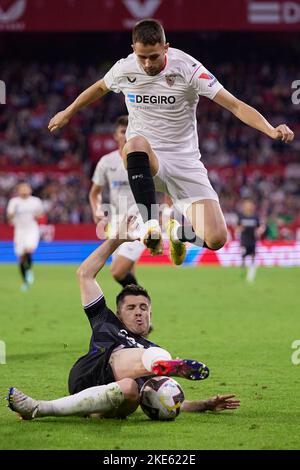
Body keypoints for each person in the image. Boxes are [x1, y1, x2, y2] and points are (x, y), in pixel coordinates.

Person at [48, 19, 294, 266]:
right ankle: (151, 225)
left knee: (217, 237)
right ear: (133, 49)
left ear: (166, 47)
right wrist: (68, 112)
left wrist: (270, 130)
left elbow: (234, 105)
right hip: (147, 157)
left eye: (153, 57)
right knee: (133, 144)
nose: (147, 64)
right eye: (142, 57)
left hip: (185, 162)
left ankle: (176, 233)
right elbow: (99, 88)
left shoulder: (188, 68)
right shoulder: (124, 68)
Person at [8, 216, 240, 420]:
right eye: (131, 308)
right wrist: (116, 240)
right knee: (151, 359)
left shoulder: (151, 346)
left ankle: (85, 410)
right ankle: (41, 407)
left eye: (143, 307)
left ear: (151, 314)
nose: (139, 312)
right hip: (90, 374)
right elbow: (84, 274)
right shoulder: (106, 321)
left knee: (133, 390)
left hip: (119, 394)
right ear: (119, 313)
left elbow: (165, 399)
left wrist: (205, 405)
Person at [89, 115, 144, 288]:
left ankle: (143, 299)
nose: (126, 134)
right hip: (116, 222)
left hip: (140, 219)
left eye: (130, 130)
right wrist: (96, 209)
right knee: (127, 274)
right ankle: (137, 308)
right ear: (115, 135)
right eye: (122, 131)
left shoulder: (145, 159)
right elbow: (94, 193)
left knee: (117, 271)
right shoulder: (107, 162)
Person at [6, 182, 44, 291]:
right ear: (18, 190)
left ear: (30, 190)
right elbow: (9, 218)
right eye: (22, 188)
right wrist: (13, 213)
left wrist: (38, 216)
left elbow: (41, 214)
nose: (24, 190)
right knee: (21, 258)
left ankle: (29, 270)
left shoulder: (36, 201)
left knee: (29, 250)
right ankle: (25, 282)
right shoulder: (14, 202)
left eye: (26, 188)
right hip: (19, 231)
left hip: (32, 229)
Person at [237, 199, 265, 282]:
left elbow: (260, 227)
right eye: (247, 205)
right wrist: (240, 229)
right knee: (243, 255)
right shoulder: (241, 216)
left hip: (252, 240)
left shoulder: (255, 217)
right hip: (244, 240)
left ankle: (251, 272)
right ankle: (243, 268)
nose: (248, 207)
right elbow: (237, 227)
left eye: (250, 205)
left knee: (253, 255)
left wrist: (259, 231)